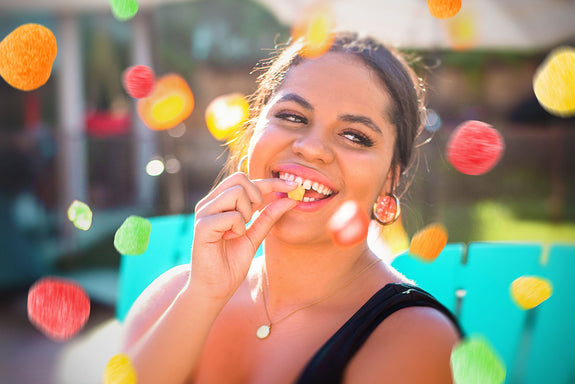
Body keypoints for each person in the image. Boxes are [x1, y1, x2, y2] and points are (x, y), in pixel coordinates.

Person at [120, 31, 463, 384]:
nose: (312, 147)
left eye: (354, 135)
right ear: (252, 134)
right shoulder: (173, 296)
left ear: (390, 179)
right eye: (293, 116)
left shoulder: (414, 340)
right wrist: (203, 296)